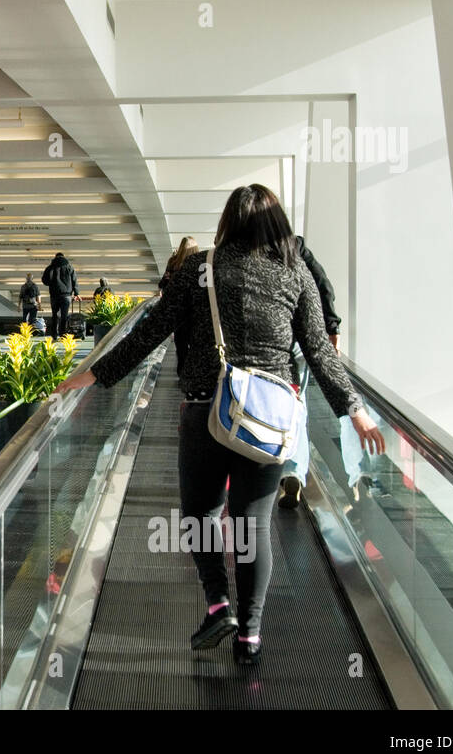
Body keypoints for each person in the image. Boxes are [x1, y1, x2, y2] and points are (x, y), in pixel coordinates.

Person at [56, 185, 385, 666]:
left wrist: (91, 375)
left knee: (200, 516)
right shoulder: (296, 274)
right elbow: (318, 349)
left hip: (206, 410)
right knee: (254, 526)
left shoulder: (199, 268)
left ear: (228, 222)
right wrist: (353, 409)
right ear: (275, 224)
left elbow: (150, 332)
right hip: (269, 421)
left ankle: (218, 604)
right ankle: (250, 637)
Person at [277, 235, 343, 510]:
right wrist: (331, 327)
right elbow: (323, 283)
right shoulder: (296, 246)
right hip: (302, 340)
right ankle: (292, 471)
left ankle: (263, 462)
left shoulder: (247, 247)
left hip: (270, 341)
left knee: (270, 401)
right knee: (298, 403)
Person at [159, 237, 201, 372]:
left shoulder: (173, 262)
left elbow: (163, 284)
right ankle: (193, 370)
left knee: (180, 341)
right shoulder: (200, 262)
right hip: (195, 310)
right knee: (195, 341)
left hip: (177, 310)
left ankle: (182, 369)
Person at [41, 252, 78, 339]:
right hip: (66, 295)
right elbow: (74, 280)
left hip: (54, 295)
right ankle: (63, 334)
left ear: (55, 257)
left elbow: (45, 280)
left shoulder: (50, 267)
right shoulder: (70, 267)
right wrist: (76, 293)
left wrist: (52, 283)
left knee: (54, 314)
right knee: (64, 315)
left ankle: (54, 334)